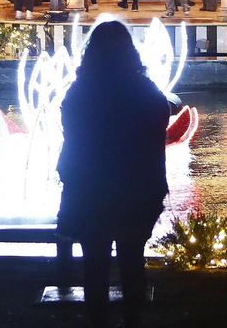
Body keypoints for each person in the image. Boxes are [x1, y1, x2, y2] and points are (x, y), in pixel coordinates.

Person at [57, 21, 171, 326]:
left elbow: (71, 133)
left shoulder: (81, 92)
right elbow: (158, 128)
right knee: (132, 260)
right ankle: (133, 318)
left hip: (90, 189)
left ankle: (97, 319)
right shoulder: (145, 91)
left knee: (94, 263)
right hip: (135, 188)